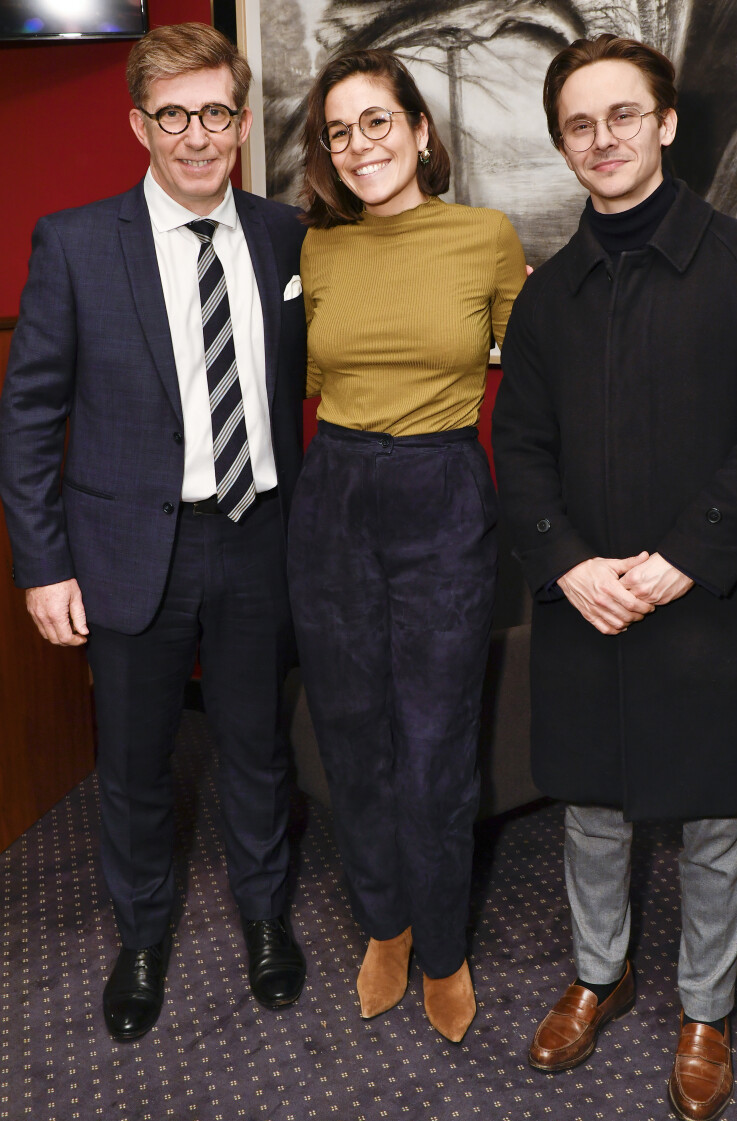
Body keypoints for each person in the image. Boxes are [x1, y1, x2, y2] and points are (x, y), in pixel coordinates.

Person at [492, 33, 737, 1121]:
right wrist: (569, 562)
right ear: (564, 148)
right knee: (591, 808)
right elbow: (519, 446)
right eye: (580, 125)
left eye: (623, 115)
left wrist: (681, 560)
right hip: (586, 598)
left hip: (709, 595)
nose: (603, 139)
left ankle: (704, 1008)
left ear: (666, 124)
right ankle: (599, 973)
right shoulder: (548, 295)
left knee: (721, 819)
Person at [0, 22, 308, 1042]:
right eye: (172, 115)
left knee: (259, 748)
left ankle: (266, 918)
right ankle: (142, 935)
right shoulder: (77, 243)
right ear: (139, 122)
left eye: (215, 111)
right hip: (132, 548)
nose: (196, 136)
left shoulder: (285, 236)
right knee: (134, 765)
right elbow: (30, 416)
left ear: (240, 119)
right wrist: (42, 567)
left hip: (260, 535)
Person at [288, 49, 525, 1043]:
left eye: (376, 122)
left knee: (434, 746)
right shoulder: (318, 250)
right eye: (340, 132)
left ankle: (442, 948)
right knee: (350, 731)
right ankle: (384, 922)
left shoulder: (486, 238)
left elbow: (531, 377)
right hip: (333, 496)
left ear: (421, 132)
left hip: (441, 492)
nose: (358, 147)